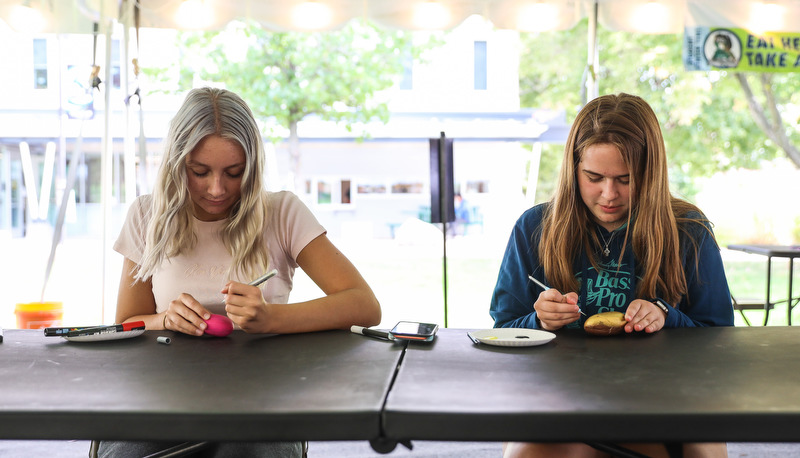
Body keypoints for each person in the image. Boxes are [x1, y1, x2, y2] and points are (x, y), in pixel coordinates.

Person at [99, 87, 381, 458]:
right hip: (163, 396)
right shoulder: (146, 216)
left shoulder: (281, 213)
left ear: (253, 165)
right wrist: (165, 320)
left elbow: (364, 305)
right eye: (199, 172)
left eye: (234, 172)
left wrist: (272, 318)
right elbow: (127, 322)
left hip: (266, 398)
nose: (217, 189)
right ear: (175, 163)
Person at [489, 93, 733, 458]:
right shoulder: (534, 227)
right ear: (573, 169)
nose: (609, 194)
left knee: (705, 450)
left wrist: (668, 316)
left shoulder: (689, 230)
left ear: (651, 173)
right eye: (594, 177)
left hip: (667, 397)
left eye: (625, 179)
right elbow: (503, 330)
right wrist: (538, 320)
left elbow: (722, 343)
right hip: (557, 394)